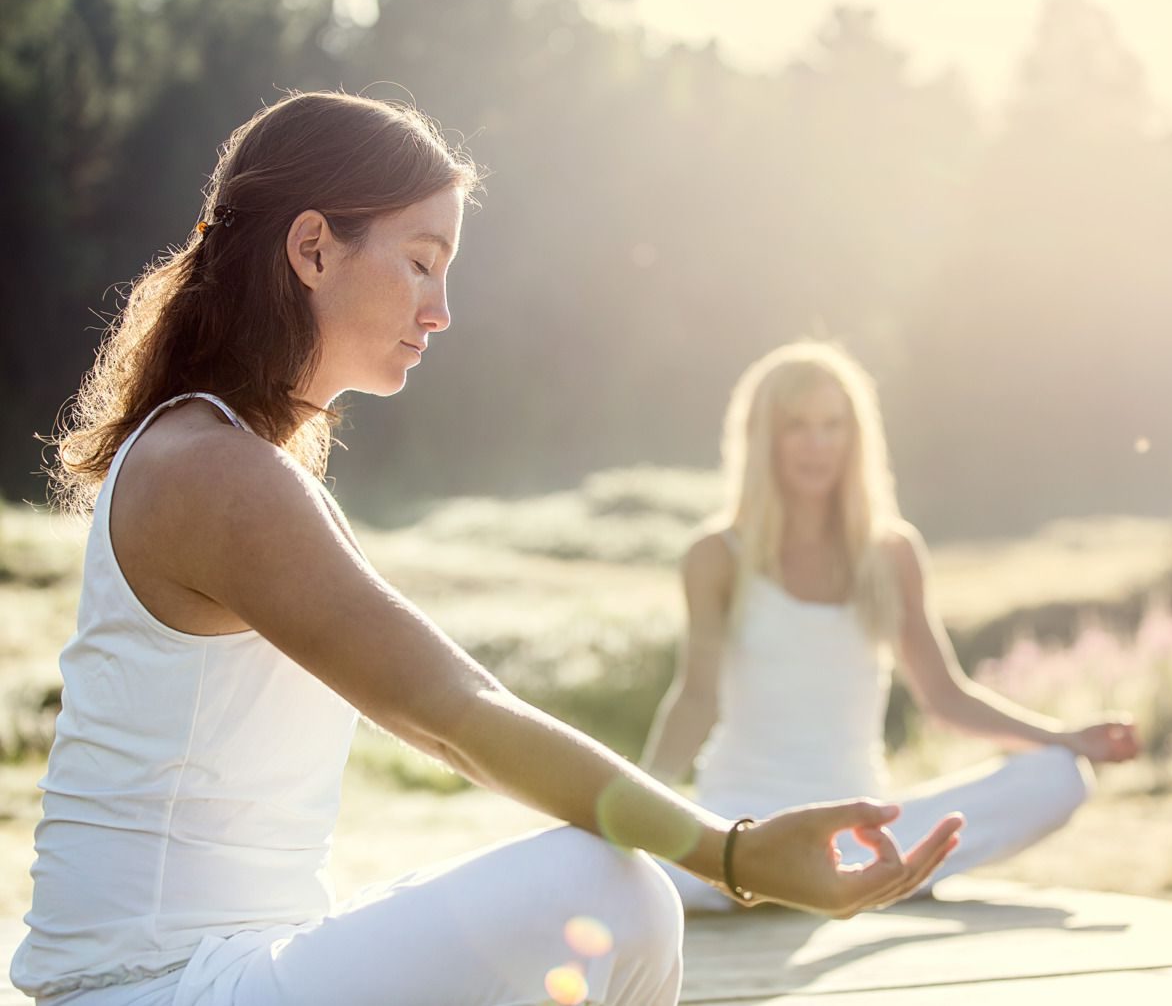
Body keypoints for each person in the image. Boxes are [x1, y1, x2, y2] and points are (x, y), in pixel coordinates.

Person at [9, 92, 962, 1006]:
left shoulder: (226, 454)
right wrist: (729, 852)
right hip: (158, 990)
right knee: (613, 891)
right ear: (312, 249)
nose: (441, 309)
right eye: (422, 261)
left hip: (251, 959)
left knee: (582, 904)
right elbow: (451, 713)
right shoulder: (211, 470)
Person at [640, 341, 1139, 911]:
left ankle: (864, 877)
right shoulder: (716, 555)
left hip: (865, 833)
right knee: (619, 872)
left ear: (858, 438)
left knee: (1060, 777)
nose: (818, 444)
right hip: (741, 832)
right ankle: (789, 882)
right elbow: (695, 698)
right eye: (796, 426)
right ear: (762, 438)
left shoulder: (893, 551)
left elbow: (946, 697)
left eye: (833, 425)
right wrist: (633, 807)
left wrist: (1064, 738)